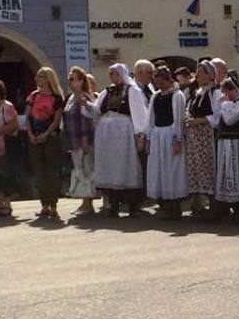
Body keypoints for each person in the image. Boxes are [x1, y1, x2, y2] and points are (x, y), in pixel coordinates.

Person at [84, 62, 149, 217]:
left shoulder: (132, 91)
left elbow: (139, 113)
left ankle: (133, 206)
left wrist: (140, 133)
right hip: (107, 134)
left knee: (126, 166)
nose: (112, 76)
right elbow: (97, 110)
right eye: (110, 74)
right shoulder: (108, 91)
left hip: (123, 133)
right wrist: (86, 105)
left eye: (114, 73)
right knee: (110, 167)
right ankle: (113, 205)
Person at [145, 65, 187, 218]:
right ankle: (165, 204)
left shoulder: (177, 95)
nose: (160, 86)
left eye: (162, 83)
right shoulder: (155, 96)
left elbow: (179, 119)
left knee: (173, 169)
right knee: (160, 169)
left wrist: (178, 139)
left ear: (169, 80)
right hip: (157, 135)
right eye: (157, 83)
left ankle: (176, 206)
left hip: (170, 134)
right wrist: (149, 138)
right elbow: (150, 118)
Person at [26, 66, 65, 221]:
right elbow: (28, 117)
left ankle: (53, 205)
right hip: (35, 137)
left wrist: (46, 134)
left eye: (40, 76)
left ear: (48, 79)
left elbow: (56, 120)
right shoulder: (33, 96)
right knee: (39, 171)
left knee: (52, 171)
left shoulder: (56, 98)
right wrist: (31, 135)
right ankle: (44, 205)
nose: (36, 79)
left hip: (51, 138)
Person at [63, 66, 97, 216]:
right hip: (73, 140)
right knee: (79, 169)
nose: (69, 82)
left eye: (72, 79)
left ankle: (88, 203)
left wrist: (85, 140)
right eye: (69, 79)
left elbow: (87, 119)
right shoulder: (71, 98)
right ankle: (84, 201)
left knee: (86, 168)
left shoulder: (84, 97)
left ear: (81, 81)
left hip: (83, 140)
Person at [214, 76, 239, 220]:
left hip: (236, 143)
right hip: (226, 143)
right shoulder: (233, 102)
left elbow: (229, 120)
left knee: (235, 174)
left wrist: (226, 103)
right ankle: (225, 206)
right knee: (226, 174)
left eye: (227, 91)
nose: (225, 94)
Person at [185, 60, 218, 216]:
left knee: (207, 168)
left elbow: (218, 116)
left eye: (200, 73)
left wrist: (200, 121)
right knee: (195, 168)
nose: (196, 75)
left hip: (206, 135)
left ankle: (213, 206)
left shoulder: (214, 93)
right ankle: (197, 204)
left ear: (209, 75)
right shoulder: (196, 92)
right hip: (194, 137)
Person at [0, 79, 19, 218]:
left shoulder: (7, 107)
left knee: (4, 176)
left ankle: (6, 204)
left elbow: (14, 125)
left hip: (4, 147)